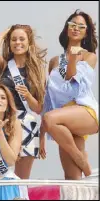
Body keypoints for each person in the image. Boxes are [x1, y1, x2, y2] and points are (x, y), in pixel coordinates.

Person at [41, 9, 98, 179]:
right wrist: (42, 134)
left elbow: (73, 83)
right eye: (72, 25)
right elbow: (48, 99)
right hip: (62, 119)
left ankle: (87, 169)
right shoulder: (54, 61)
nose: (75, 28)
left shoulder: (89, 56)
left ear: (86, 33)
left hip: (84, 111)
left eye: (81, 26)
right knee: (71, 178)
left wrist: (73, 59)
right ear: (67, 28)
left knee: (50, 118)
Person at [0, 24, 47, 179]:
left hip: (27, 123)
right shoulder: (4, 66)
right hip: (4, 121)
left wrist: (28, 95)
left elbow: (39, 108)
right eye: (13, 39)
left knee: (21, 178)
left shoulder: (36, 70)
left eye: (22, 39)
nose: (17, 42)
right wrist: (7, 31)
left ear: (29, 42)